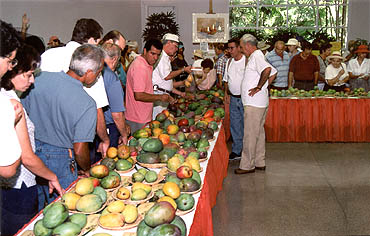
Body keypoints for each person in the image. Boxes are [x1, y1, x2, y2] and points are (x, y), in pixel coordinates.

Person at [22, 44, 104, 210]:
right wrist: (87, 169)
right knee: (64, 209)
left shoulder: (38, 79)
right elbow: (80, 150)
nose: (98, 76)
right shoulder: (87, 104)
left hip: (30, 154)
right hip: (60, 159)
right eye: (98, 72)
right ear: (88, 73)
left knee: (41, 211)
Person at [0, 45, 63, 235]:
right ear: (12, 71)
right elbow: (26, 157)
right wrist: (52, 176)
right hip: (19, 187)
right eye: (28, 75)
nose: (32, 80)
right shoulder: (11, 104)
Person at [40, 18, 110, 158]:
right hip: (72, 144)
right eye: (98, 42)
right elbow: (97, 110)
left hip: (39, 139)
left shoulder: (47, 55)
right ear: (91, 40)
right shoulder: (91, 64)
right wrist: (105, 139)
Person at [235, 33, 276, 174]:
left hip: (254, 104)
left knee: (250, 134)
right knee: (258, 133)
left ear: (248, 45)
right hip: (258, 102)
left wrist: (259, 87)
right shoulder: (257, 56)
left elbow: (268, 70)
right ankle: (259, 161)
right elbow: (273, 72)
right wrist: (263, 86)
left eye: (241, 47)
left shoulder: (257, 55)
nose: (240, 49)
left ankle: (247, 165)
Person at [126, 39, 175, 133]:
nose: (155, 58)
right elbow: (139, 95)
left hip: (143, 115)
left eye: (158, 55)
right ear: (145, 51)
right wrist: (160, 97)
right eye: (152, 54)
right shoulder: (140, 67)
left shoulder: (147, 64)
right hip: (137, 117)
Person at [0, 20, 22, 178]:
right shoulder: (5, 104)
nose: (10, 67)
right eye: (9, 61)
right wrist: (12, 122)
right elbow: (8, 169)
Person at [152, 33, 192, 118]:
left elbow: (166, 83)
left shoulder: (166, 57)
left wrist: (179, 92)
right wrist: (183, 69)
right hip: (159, 96)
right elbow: (167, 76)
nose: (177, 49)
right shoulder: (162, 56)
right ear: (168, 43)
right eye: (176, 46)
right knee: (158, 120)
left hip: (163, 95)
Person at [101, 43, 129, 148]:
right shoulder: (112, 78)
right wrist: (124, 135)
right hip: (110, 128)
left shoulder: (95, 72)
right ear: (115, 59)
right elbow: (117, 114)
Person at [223, 38, 247, 161]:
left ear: (239, 48)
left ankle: (247, 152)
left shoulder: (247, 61)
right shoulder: (229, 62)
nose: (230, 51)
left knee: (246, 126)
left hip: (245, 99)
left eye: (232, 48)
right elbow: (226, 79)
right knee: (235, 125)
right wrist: (226, 92)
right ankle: (237, 151)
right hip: (233, 98)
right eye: (228, 48)